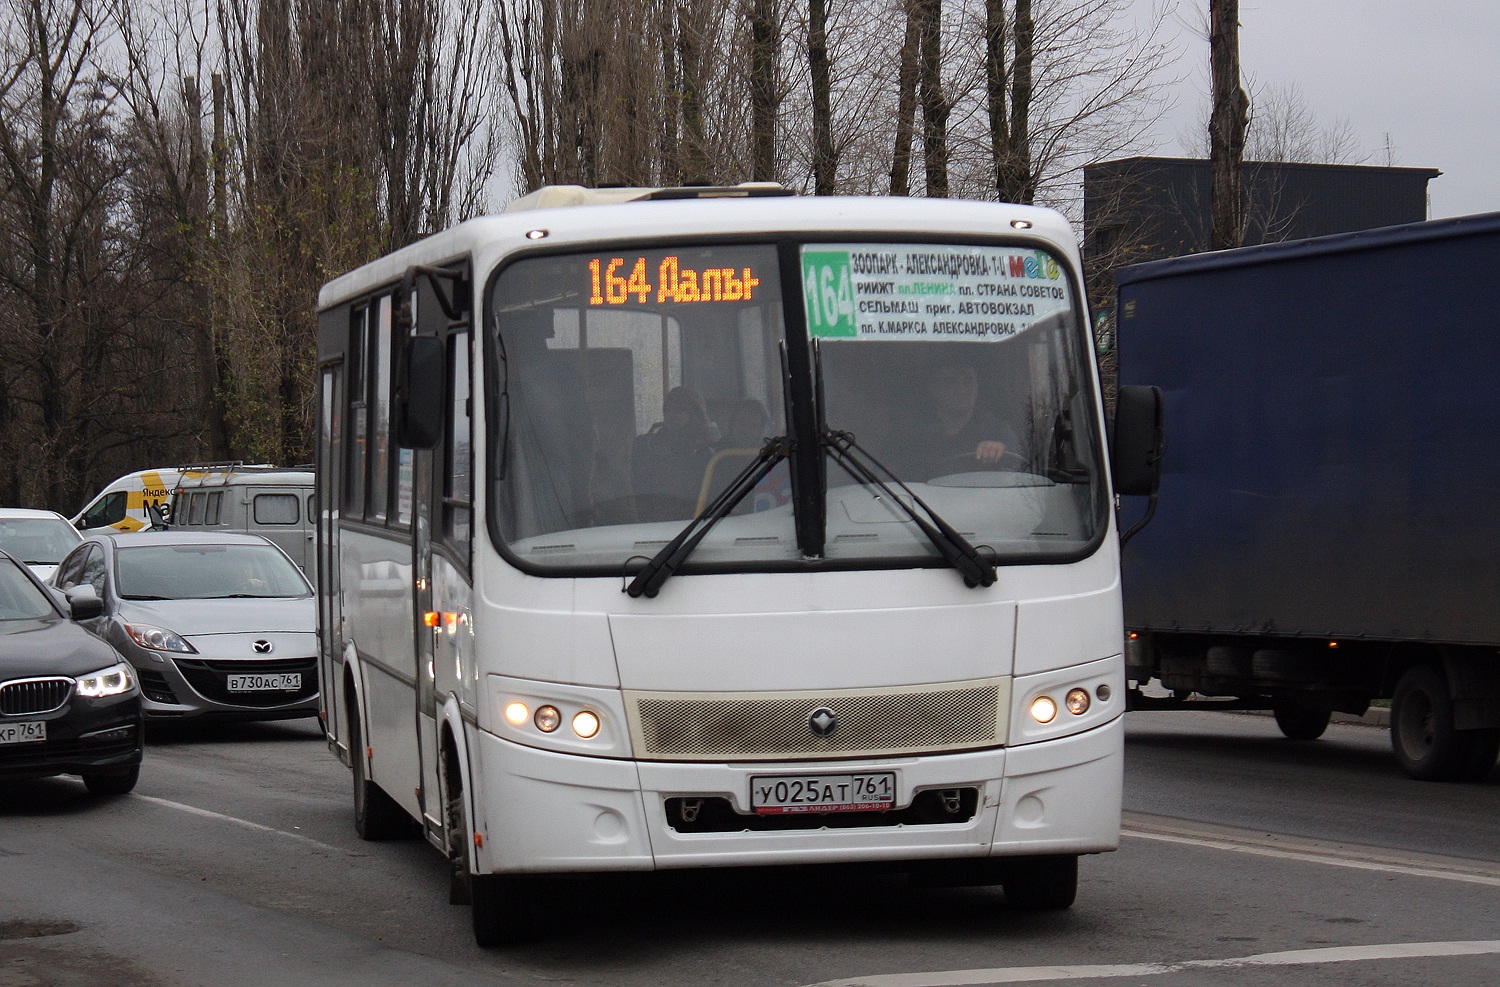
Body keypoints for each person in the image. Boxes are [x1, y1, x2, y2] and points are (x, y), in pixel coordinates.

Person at [902, 357, 1024, 478]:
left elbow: (1018, 466)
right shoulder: (912, 433)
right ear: (934, 388)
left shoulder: (997, 430)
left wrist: (999, 450)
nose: (961, 390)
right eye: (951, 382)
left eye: (968, 381)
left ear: (977, 386)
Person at [631, 385, 720, 519]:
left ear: (695, 414)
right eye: (668, 409)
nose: (671, 415)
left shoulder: (706, 450)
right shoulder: (644, 444)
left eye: (679, 410)